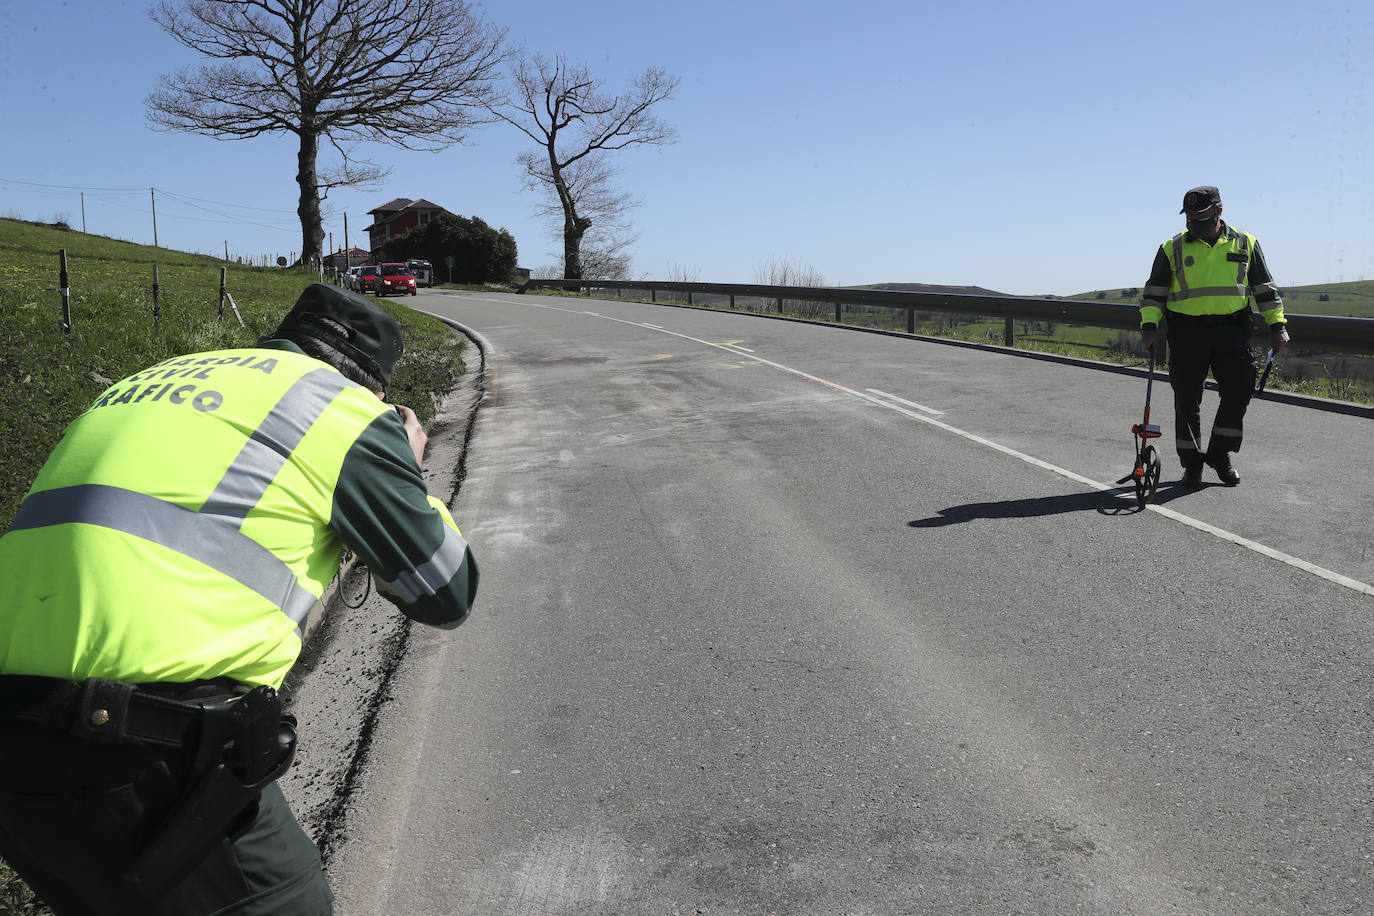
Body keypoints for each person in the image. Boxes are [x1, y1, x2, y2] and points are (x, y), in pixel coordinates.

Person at [0, 283, 478, 915]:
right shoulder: (344, 411)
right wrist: (407, 472)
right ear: (378, 391)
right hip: (142, 753)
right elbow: (444, 592)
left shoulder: (145, 381)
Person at [1138, 186, 1290, 487]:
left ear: (1219, 211)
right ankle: (1192, 463)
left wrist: (1278, 325)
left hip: (1231, 330)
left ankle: (1219, 455)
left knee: (1239, 391)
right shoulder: (1172, 247)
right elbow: (1154, 293)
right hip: (1186, 332)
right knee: (1186, 399)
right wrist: (1148, 327)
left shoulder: (1246, 242)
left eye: (1201, 214)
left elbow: (1265, 289)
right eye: (1189, 215)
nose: (1194, 220)